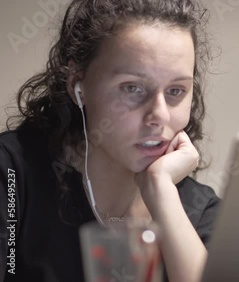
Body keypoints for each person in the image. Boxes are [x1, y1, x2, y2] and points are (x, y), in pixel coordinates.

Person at [0, 0, 221, 281]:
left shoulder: (199, 210)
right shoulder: (12, 175)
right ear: (77, 86)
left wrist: (160, 189)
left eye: (176, 91)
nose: (159, 115)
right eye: (133, 88)